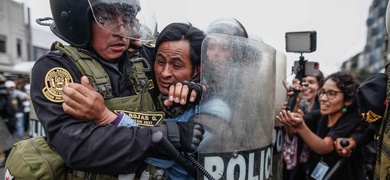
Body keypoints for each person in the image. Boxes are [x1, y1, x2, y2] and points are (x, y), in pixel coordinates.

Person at [28, 0, 204, 176]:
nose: (121, 32)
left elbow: (199, 66)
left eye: (127, 20)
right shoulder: (58, 70)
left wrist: (195, 87)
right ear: (77, 20)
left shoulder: (145, 56)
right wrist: (164, 135)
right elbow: (79, 147)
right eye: (106, 18)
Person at [277, 71, 365, 180]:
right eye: (322, 92)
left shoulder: (352, 119)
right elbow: (292, 131)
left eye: (331, 93)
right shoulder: (320, 115)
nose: (323, 98)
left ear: (348, 99)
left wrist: (301, 126)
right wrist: (295, 103)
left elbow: (324, 147)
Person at [282, 72, 324, 180]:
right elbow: (290, 132)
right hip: (291, 165)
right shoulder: (289, 104)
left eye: (311, 82)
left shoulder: (325, 109)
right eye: (303, 82)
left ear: (319, 86)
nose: (306, 86)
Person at [0, 75, 14, 168]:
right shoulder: (4, 92)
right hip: (7, 120)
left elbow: (2, 107)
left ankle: (7, 160)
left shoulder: (2, 93)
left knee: (6, 141)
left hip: (5, 120)